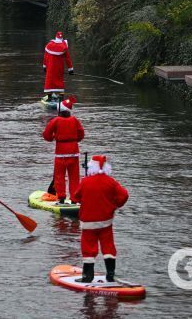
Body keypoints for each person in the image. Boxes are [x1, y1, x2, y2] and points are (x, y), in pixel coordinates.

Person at [72, 155, 129, 283]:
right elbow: (124, 195)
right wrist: (115, 204)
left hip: (88, 222)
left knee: (88, 248)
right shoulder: (111, 181)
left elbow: (75, 197)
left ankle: (88, 276)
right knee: (108, 246)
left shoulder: (85, 181)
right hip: (106, 222)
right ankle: (110, 274)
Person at [42, 96, 84, 205]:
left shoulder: (56, 120)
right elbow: (81, 134)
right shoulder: (75, 120)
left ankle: (61, 198)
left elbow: (46, 134)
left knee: (59, 176)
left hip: (61, 152)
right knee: (74, 177)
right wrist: (75, 140)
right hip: (74, 152)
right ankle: (74, 199)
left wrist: (52, 138)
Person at [43, 31, 74, 102]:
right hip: (59, 68)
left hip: (50, 67)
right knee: (60, 81)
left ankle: (49, 97)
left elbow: (45, 57)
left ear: (55, 37)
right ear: (62, 38)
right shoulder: (64, 46)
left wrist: (44, 66)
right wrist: (70, 70)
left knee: (49, 81)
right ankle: (61, 98)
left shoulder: (49, 45)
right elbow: (68, 59)